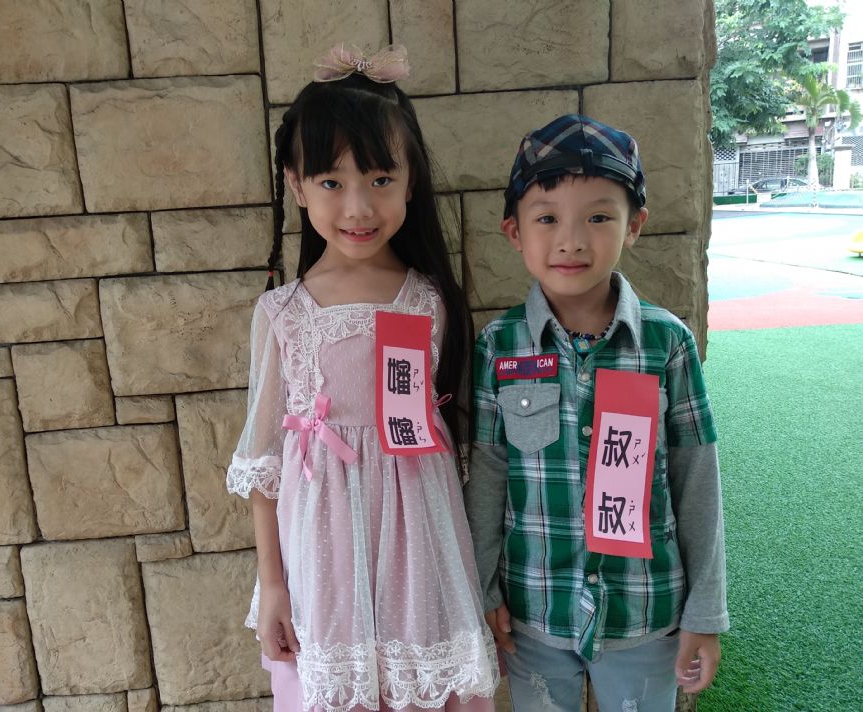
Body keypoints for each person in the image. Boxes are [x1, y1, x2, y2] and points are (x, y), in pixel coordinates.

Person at [226, 44, 499, 712]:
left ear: (411, 182)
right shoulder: (282, 312)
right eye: (331, 182)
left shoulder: (429, 301)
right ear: (296, 185)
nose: (358, 206)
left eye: (379, 179)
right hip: (321, 551)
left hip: (419, 544)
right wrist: (273, 585)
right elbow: (264, 462)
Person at [465, 114, 728, 711]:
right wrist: (483, 590)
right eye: (547, 218)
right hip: (534, 611)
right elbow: (487, 477)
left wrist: (705, 612)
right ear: (514, 232)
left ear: (634, 225)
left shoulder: (667, 344)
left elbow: (697, 480)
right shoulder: (499, 346)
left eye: (599, 217)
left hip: (645, 610)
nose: (572, 240)